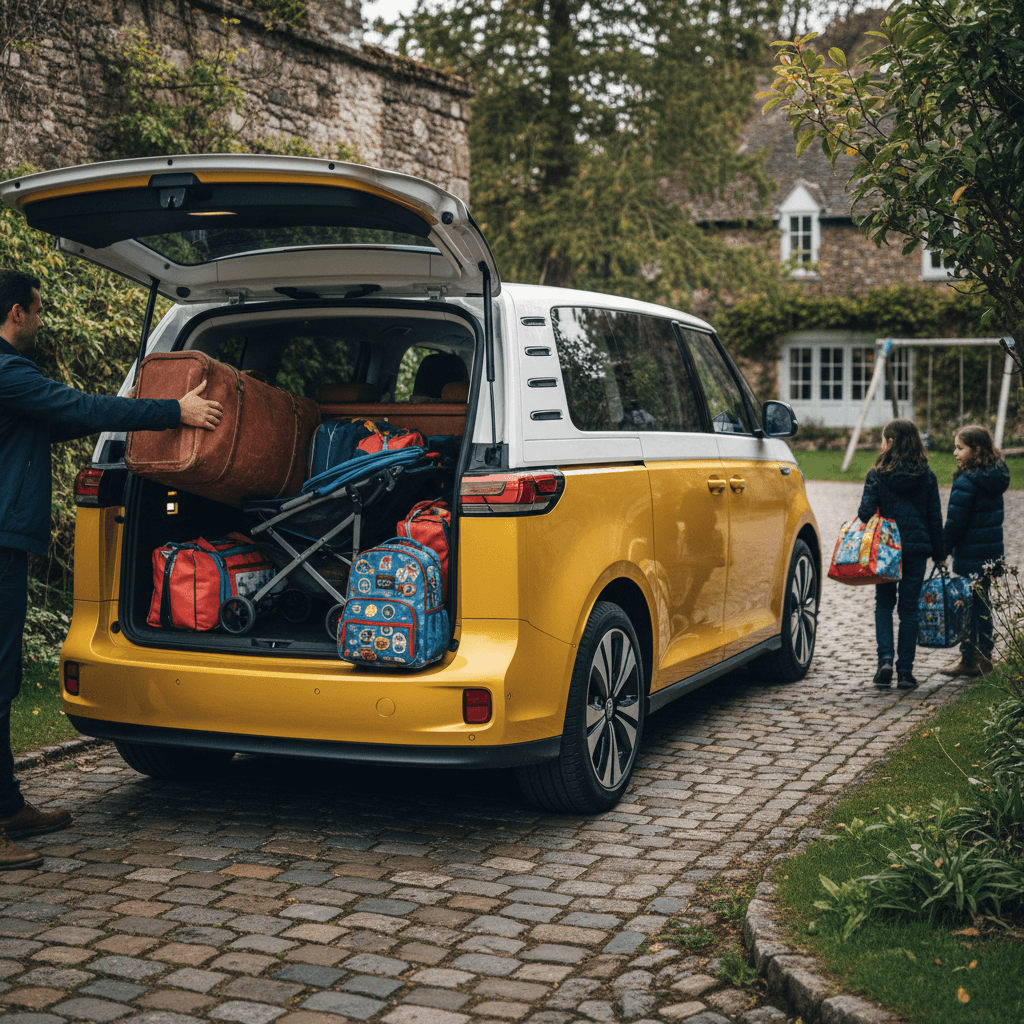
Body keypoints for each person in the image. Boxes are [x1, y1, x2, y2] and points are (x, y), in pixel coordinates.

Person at [0, 269, 223, 870]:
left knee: (4, 677)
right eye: (37, 309)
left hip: (5, 543)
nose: (41, 320)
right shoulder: (6, 372)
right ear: (16, 312)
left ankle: (8, 805)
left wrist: (139, 415)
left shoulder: (10, 381)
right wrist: (172, 409)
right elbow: (78, 404)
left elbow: (64, 419)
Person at [858, 418, 945, 691]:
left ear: (890, 442)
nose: (881, 445)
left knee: (884, 603)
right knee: (909, 608)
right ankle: (905, 673)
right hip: (916, 550)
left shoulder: (876, 475)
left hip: (886, 550)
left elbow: (865, 513)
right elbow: (935, 518)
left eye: (883, 440)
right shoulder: (927, 475)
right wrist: (940, 554)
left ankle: (884, 660)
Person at [941, 425, 1010, 677]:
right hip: (990, 553)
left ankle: (971, 659)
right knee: (982, 606)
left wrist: (942, 550)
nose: (955, 453)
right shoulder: (995, 477)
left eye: (960, 448)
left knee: (969, 608)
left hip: (971, 554)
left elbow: (955, 524)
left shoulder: (967, 481)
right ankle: (984, 657)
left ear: (976, 450)